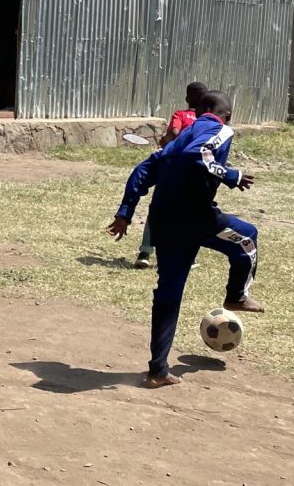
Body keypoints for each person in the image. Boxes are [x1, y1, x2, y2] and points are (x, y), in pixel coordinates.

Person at [106, 90, 264, 388]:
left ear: (198, 110)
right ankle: (236, 296)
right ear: (228, 115)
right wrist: (231, 175)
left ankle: (157, 371)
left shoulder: (181, 137)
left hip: (164, 222)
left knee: (168, 294)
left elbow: (143, 169)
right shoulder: (222, 130)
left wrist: (125, 212)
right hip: (197, 218)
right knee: (247, 239)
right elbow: (198, 155)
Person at [134, 81, 208, 270]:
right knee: (191, 213)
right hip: (195, 171)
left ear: (187, 98)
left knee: (157, 209)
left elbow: (174, 132)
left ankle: (145, 252)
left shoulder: (180, 115)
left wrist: (164, 140)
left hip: (172, 168)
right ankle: (188, 257)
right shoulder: (206, 121)